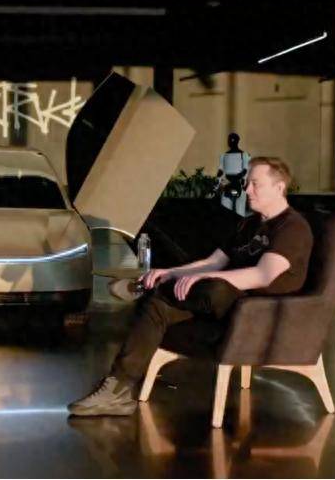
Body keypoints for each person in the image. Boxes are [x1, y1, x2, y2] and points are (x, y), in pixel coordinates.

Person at [69, 157, 312, 417]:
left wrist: (203, 278)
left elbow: (263, 275)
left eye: (255, 184)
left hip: (258, 310)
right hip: (224, 300)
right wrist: (170, 273)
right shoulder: (248, 224)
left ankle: (145, 289)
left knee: (213, 289)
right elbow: (213, 261)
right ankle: (118, 389)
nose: (247, 190)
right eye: (247, 183)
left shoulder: (292, 227)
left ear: (279, 188)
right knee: (157, 307)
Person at [215, 132, 251, 216]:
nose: (231, 142)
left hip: (239, 184)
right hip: (228, 184)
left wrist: (243, 181)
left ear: (237, 141)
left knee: (240, 210)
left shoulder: (244, 155)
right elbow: (220, 171)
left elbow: (246, 170)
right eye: (230, 140)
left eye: (232, 140)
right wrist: (217, 184)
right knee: (225, 209)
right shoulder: (224, 156)